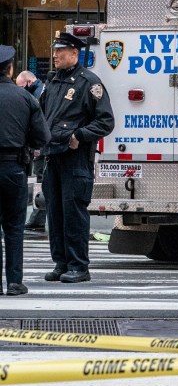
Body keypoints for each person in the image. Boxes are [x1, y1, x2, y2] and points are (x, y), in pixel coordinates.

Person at [38, 32, 114, 284]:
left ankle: (79, 266)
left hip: (75, 157)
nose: (55, 55)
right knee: (55, 213)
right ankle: (61, 263)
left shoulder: (88, 83)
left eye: (61, 51)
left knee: (73, 212)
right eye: (55, 50)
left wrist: (80, 134)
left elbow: (105, 121)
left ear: (74, 53)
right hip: (52, 156)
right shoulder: (52, 82)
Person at [0, 47, 50, 296]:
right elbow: (42, 137)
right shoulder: (26, 98)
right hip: (14, 168)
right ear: (10, 69)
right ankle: (14, 282)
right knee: (14, 227)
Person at [16, 70, 47, 232]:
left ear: (28, 82)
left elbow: (38, 123)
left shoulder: (36, 96)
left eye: (21, 87)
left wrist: (37, 146)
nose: (19, 91)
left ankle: (38, 219)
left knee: (42, 181)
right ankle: (38, 218)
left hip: (42, 147)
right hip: (43, 145)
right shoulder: (42, 90)